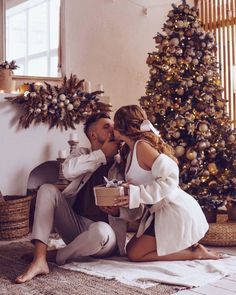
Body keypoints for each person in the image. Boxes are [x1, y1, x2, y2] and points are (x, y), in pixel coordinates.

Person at [16, 112, 141, 284]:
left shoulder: (123, 164)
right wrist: (101, 155)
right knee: (46, 189)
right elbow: (67, 171)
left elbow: (136, 212)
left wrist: (119, 211)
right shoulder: (81, 154)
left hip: (105, 236)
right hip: (74, 226)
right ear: (93, 135)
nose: (113, 129)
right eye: (106, 126)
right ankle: (39, 259)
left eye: (113, 126)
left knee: (100, 230)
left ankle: (55, 255)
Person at [113, 105, 222, 262]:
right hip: (159, 212)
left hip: (173, 209)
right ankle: (186, 248)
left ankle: (195, 253)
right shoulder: (130, 151)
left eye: (115, 122)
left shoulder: (141, 146)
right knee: (130, 249)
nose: (112, 127)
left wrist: (137, 194)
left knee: (135, 255)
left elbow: (170, 176)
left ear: (123, 125)